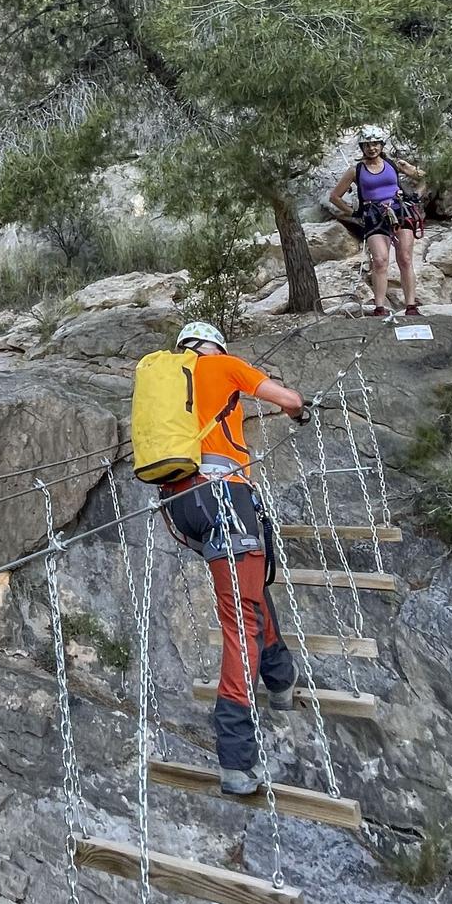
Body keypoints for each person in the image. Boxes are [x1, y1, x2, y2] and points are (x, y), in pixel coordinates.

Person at [157, 319, 309, 796]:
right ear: (215, 346)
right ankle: (237, 759)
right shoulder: (224, 365)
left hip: (180, 507)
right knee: (240, 617)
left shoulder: (169, 381)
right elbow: (289, 400)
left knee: (249, 589)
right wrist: (297, 413)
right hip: (225, 498)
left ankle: (280, 677)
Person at [327, 124, 427, 319]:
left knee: (405, 258)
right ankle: (379, 307)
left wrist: (415, 194)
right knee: (380, 261)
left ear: (381, 145)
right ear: (362, 147)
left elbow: (424, 178)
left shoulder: (394, 164)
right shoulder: (355, 170)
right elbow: (335, 197)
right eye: (367, 145)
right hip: (374, 217)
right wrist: (355, 213)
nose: (372, 148)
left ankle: (411, 306)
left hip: (399, 212)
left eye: (375, 144)